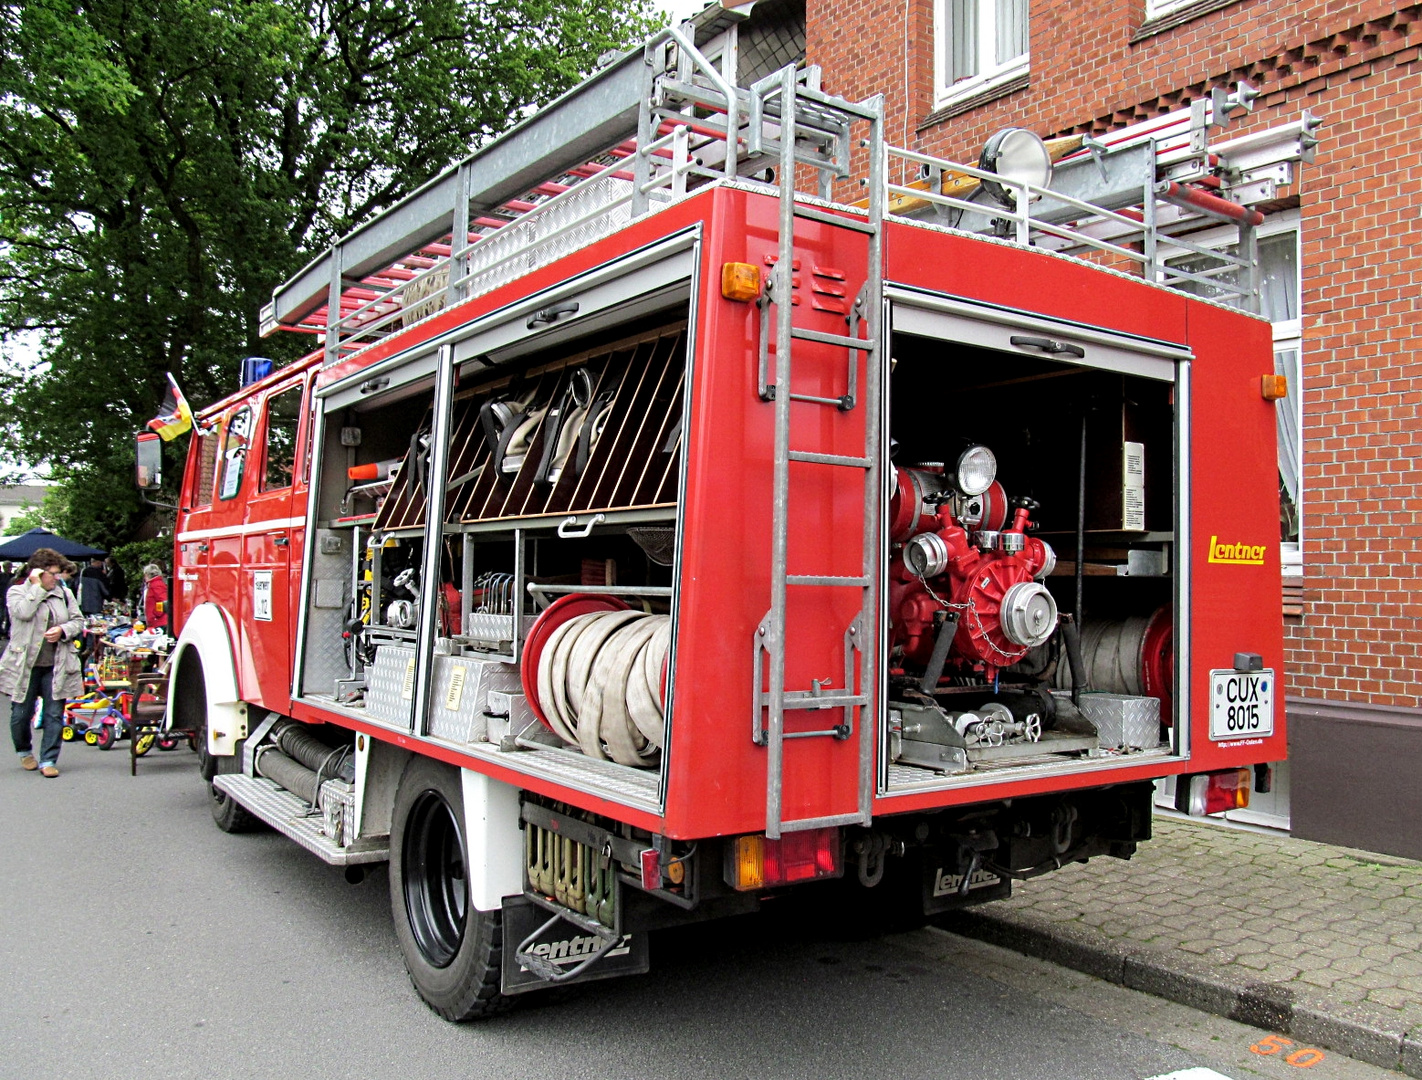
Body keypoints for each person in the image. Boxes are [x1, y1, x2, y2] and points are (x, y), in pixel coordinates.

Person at [0, 548, 84, 777]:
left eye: (58, 574)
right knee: (20, 715)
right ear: (37, 573)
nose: (56, 578)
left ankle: (48, 759)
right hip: (24, 665)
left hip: (56, 663)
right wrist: (37, 588)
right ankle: (24, 751)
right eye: (53, 574)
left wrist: (63, 630)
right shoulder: (17, 592)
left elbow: (78, 621)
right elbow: (23, 613)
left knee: (54, 714)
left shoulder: (64, 594)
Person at [140, 564, 168, 632]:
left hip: (159, 622)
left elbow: (163, 600)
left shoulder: (156, 584)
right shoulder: (154, 584)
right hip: (157, 621)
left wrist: (156, 613)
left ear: (147, 574)